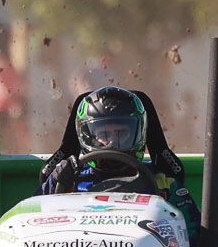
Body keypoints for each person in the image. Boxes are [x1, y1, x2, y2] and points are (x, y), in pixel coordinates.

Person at [38, 87, 200, 234]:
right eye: (104, 134)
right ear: (87, 136)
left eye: (121, 133)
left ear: (138, 132)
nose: (112, 143)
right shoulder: (68, 180)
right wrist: (55, 182)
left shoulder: (162, 183)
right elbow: (30, 223)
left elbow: (191, 233)